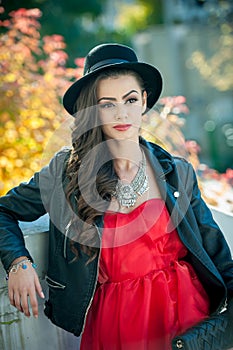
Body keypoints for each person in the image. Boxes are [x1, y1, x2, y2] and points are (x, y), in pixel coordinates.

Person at [0, 43, 232, 350]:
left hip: (191, 319)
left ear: (144, 101)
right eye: (107, 104)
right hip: (119, 325)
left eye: (130, 99)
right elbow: (4, 211)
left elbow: (217, 252)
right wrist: (18, 262)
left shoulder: (177, 172)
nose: (122, 113)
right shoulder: (65, 173)